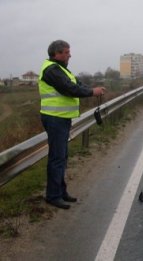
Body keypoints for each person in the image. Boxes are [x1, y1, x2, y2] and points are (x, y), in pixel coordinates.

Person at [38, 40, 106, 209]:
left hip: (61, 118)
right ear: (57, 54)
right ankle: (53, 196)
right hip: (54, 118)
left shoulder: (60, 69)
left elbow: (76, 83)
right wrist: (92, 92)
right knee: (57, 158)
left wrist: (91, 89)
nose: (70, 55)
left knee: (62, 157)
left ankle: (61, 192)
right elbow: (68, 88)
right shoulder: (51, 70)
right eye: (66, 52)